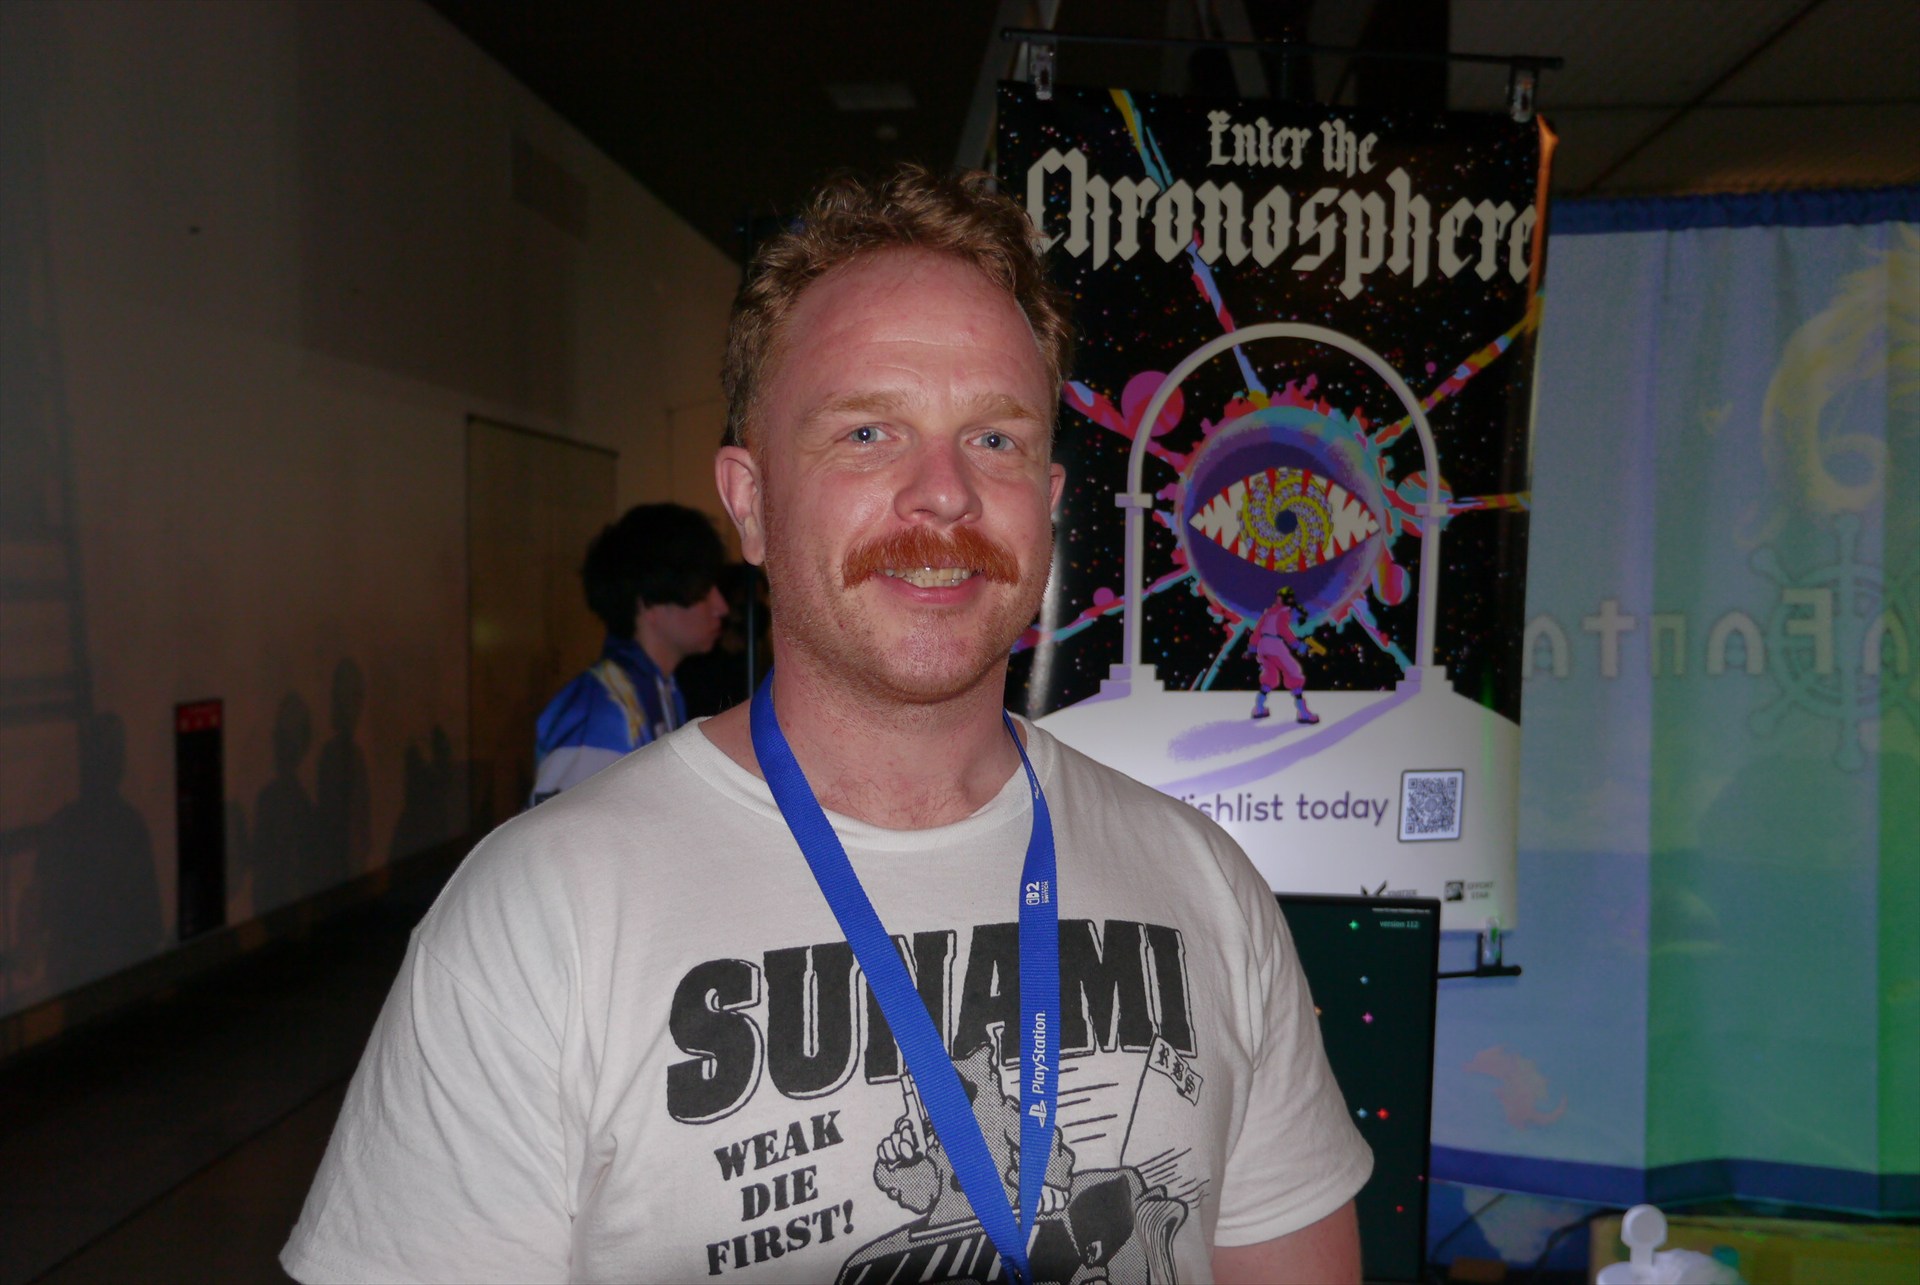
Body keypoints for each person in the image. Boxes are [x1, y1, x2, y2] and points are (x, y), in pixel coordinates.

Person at [283, 166, 1369, 1284]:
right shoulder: (541, 915)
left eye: (994, 439)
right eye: (868, 432)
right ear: (750, 502)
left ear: (1047, 508)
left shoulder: (1205, 884)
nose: (945, 493)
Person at [529, 502, 728, 804]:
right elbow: (570, 830)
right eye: (702, 590)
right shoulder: (600, 712)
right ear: (649, 602)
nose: (720, 607)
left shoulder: (658, 690)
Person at [1248, 585, 1321, 724]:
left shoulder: (1269, 612)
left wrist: (1253, 647)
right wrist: (1297, 645)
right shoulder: (1283, 612)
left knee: (1270, 675)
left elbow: (1258, 630)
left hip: (1263, 646)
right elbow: (1282, 629)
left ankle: (1259, 707)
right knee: (1293, 672)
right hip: (1274, 645)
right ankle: (1303, 712)